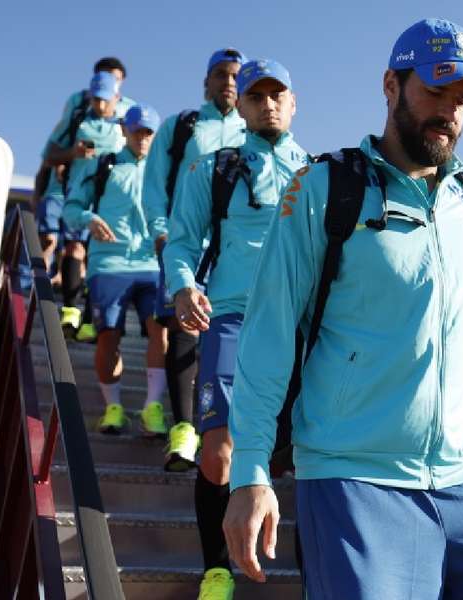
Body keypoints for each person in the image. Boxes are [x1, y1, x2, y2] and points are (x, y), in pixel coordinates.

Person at [222, 19, 463, 600]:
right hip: (357, 478)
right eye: (436, 91)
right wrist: (251, 473)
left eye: (462, 98)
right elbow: (269, 335)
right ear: (392, 85)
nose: (450, 111)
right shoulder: (323, 187)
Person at [164, 58, 308, 600]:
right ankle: (217, 569)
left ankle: (314, 568)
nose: (267, 103)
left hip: (297, 326)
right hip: (229, 319)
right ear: (240, 106)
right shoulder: (213, 169)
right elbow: (181, 242)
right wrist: (183, 286)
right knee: (218, 451)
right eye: (255, 95)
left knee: (303, 455)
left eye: (278, 94)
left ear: (293, 104)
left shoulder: (318, 174)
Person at [141, 48, 246, 471]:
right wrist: (160, 231)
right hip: (184, 249)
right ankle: (184, 428)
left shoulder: (250, 131)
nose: (229, 82)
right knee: (183, 334)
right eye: (220, 74)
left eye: (236, 76)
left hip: (230, 260)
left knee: (225, 343)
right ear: (206, 82)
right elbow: (153, 184)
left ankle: (223, 433)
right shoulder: (182, 127)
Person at [63, 103, 167, 436]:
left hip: (153, 264)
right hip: (108, 263)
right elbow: (72, 208)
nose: (143, 138)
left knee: (161, 331)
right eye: (138, 131)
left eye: (149, 133)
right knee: (109, 334)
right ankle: (113, 408)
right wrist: (89, 219)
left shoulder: (164, 170)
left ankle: (152, 408)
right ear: (124, 129)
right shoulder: (103, 165)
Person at [34, 58, 135, 341]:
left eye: (107, 98)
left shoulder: (129, 116)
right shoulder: (79, 113)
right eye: (96, 98)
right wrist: (73, 155)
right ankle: (69, 311)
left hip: (112, 198)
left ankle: (91, 321)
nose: (101, 105)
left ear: (118, 93)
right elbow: (50, 154)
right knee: (74, 248)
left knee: (97, 255)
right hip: (79, 193)